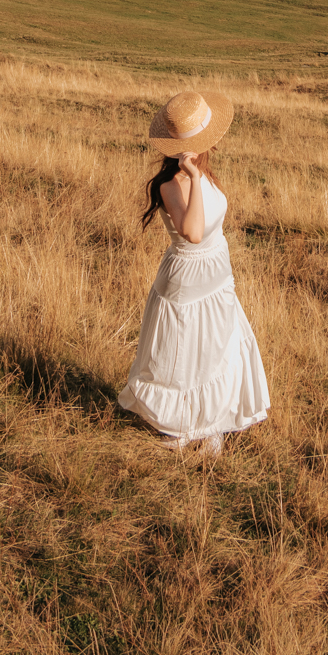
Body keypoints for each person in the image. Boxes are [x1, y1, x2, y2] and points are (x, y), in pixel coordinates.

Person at [119, 89, 270, 455]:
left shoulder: (204, 174)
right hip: (187, 276)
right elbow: (193, 232)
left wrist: (199, 175)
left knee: (218, 345)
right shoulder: (171, 185)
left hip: (217, 271)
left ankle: (213, 418)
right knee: (185, 352)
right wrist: (192, 175)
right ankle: (183, 426)